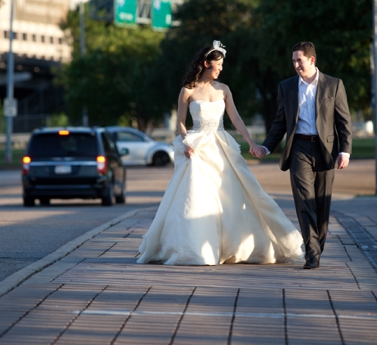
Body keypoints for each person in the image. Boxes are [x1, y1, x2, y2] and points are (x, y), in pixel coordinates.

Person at [137, 41, 304, 266]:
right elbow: (180, 122)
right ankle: (195, 247)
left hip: (220, 145)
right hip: (197, 147)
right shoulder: (187, 89)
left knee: (233, 193)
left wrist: (252, 143)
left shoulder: (223, 89)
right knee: (197, 195)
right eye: (218, 64)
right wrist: (186, 143)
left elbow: (236, 119)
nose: (221, 68)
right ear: (206, 64)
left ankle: (232, 245)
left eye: (222, 64)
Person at [254, 41, 352, 270]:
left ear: (312, 60)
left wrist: (344, 150)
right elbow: (279, 123)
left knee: (321, 203)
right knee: (302, 201)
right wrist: (266, 147)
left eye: (300, 60)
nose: (296, 64)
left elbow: (344, 121)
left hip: (325, 150)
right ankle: (312, 252)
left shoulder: (334, 85)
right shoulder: (286, 87)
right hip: (298, 147)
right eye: (294, 60)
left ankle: (317, 246)